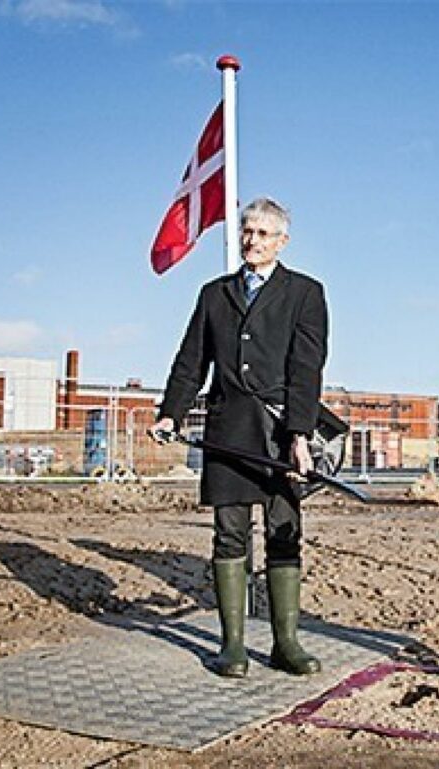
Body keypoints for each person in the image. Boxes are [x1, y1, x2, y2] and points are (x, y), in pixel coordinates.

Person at [150, 197, 328, 678]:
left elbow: (306, 369)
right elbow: (192, 360)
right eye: (248, 231)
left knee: (283, 534)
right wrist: (171, 413)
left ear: (282, 241)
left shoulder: (305, 293)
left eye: (264, 234)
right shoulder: (214, 294)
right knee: (230, 535)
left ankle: (285, 642)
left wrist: (299, 434)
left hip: (278, 433)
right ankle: (233, 645)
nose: (252, 240)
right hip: (228, 429)